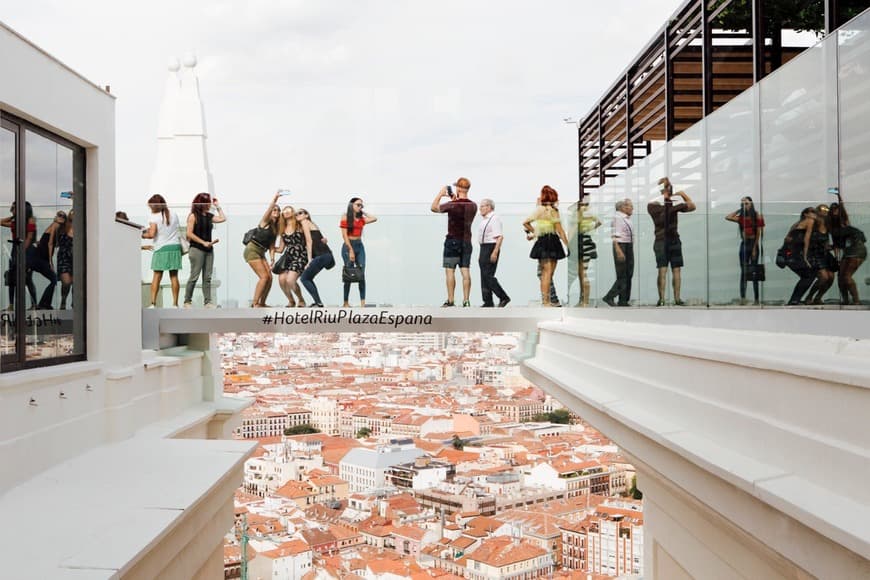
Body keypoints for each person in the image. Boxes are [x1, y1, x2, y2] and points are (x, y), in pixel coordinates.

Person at [648, 177, 696, 306]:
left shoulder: (658, 207)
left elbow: (692, 207)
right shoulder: (661, 207)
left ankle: (669, 299)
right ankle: (669, 299)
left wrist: (677, 193)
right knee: (668, 270)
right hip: (666, 240)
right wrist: (679, 195)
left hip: (667, 240)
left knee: (671, 270)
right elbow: (691, 206)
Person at [431, 178, 477, 307]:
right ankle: (466, 300)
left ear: (458, 189)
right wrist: (453, 199)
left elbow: (433, 208)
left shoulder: (452, 205)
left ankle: (451, 300)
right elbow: (462, 208)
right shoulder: (473, 205)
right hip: (467, 242)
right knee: (465, 271)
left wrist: (441, 194)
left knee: (450, 271)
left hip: (452, 241)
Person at [523, 185, 570, 307]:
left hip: (542, 242)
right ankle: (547, 301)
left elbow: (526, 222)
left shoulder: (539, 210)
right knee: (549, 274)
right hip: (552, 241)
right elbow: (560, 230)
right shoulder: (553, 211)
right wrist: (568, 245)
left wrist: (534, 233)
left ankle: (546, 301)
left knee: (544, 273)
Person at [183, 193, 225, 308]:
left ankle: (208, 302)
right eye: (207, 202)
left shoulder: (209, 216)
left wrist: (218, 206)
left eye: (210, 202)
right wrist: (203, 242)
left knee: (207, 277)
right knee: (194, 276)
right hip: (196, 249)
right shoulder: (193, 216)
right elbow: (189, 233)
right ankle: (187, 301)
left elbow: (223, 218)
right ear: (200, 202)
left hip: (209, 250)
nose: (209, 204)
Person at [141, 194, 182, 308]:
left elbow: (152, 234)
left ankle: (153, 303)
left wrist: (142, 235)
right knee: (174, 277)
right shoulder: (174, 214)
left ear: (154, 206)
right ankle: (175, 304)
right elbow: (171, 229)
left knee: (157, 276)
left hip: (161, 248)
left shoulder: (153, 217)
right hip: (175, 247)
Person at [725, 196, 765, 305]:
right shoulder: (741, 217)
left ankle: (757, 299)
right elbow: (728, 217)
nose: (744, 205)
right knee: (743, 272)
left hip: (753, 244)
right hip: (744, 244)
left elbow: (758, 233)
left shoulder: (757, 216)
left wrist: (754, 249)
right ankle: (743, 298)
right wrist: (740, 209)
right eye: (742, 203)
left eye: (746, 203)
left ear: (751, 203)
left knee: (754, 272)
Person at [244, 192, 281, 308]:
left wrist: (272, 259)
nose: (276, 212)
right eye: (274, 210)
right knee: (264, 277)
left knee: (270, 278)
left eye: (278, 210)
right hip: (252, 249)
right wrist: (275, 199)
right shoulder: (265, 222)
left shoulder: (275, 228)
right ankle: (255, 303)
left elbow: (271, 246)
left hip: (262, 252)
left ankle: (262, 303)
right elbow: (268, 210)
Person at [341, 197, 377, 308]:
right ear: (351, 205)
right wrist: (351, 250)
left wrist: (363, 211)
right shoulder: (345, 217)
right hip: (348, 246)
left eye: (361, 205)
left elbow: (374, 218)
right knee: (349, 273)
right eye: (358, 205)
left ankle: (362, 303)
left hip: (359, 245)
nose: (360, 207)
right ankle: (346, 302)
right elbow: (344, 235)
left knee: (361, 273)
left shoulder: (361, 219)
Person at [1, 201, 38, 309]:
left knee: (27, 278)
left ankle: (34, 304)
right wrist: (14, 215)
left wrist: (21, 251)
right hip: (15, 249)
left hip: (26, 250)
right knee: (11, 278)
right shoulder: (15, 221)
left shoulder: (30, 219)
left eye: (14, 208)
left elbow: (29, 238)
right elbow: (1, 222)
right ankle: (11, 305)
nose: (12, 210)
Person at [830, 197, 866, 305]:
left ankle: (856, 300)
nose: (834, 211)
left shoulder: (843, 221)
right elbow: (836, 245)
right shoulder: (833, 228)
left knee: (846, 276)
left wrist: (839, 197)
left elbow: (843, 210)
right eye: (832, 209)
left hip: (856, 249)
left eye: (836, 209)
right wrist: (837, 259)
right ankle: (846, 300)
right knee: (841, 277)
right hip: (848, 251)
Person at [297, 208, 335, 307]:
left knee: (304, 278)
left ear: (306, 215)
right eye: (296, 214)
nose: (298, 215)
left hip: (322, 255)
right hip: (326, 255)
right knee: (308, 278)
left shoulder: (305, 222)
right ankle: (318, 302)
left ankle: (318, 302)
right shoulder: (310, 224)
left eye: (300, 213)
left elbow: (309, 242)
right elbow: (322, 239)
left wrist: (309, 261)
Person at [567, 201, 601, 307]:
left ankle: (584, 301)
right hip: (586, 241)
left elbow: (572, 230)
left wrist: (566, 244)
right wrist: (588, 229)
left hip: (579, 243)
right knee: (582, 273)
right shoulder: (589, 214)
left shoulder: (577, 215)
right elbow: (599, 222)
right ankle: (583, 300)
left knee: (582, 274)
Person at [477, 198, 510, 308]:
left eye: (482, 206)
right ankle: (487, 301)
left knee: (488, 275)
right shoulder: (484, 220)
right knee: (483, 276)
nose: (480, 208)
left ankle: (503, 297)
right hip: (484, 247)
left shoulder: (494, 218)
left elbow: (500, 237)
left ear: (489, 207)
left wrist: (495, 252)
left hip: (491, 247)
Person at [602, 198, 635, 307]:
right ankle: (609, 296)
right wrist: (618, 251)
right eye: (630, 206)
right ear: (623, 207)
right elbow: (615, 237)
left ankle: (623, 300)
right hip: (621, 245)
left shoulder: (627, 218)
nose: (632, 208)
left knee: (629, 273)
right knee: (622, 275)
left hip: (628, 245)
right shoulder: (618, 218)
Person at [28, 210, 64, 309]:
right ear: (56, 217)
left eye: (63, 216)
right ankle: (44, 304)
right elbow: (50, 244)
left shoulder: (57, 227)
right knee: (54, 279)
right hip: (40, 259)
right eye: (59, 215)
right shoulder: (55, 225)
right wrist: (51, 262)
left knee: (53, 279)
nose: (60, 217)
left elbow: (47, 242)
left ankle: (43, 304)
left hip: (39, 258)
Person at [274, 205, 307, 308]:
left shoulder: (299, 225)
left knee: (290, 280)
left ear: (293, 212)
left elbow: (310, 238)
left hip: (301, 255)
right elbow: (280, 249)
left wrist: (322, 240)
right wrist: (270, 247)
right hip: (288, 257)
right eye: (284, 210)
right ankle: (291, 300)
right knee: (281, 279)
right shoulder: (282, 229)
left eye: (289, 210)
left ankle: (301, 300)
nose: (286, 211)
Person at [803, 204, 836, 305]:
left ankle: (818, 297)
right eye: (823, 209)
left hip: (825, 254)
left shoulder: (827, 225)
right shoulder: (812, 224)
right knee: (824, 277)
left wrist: (831, 247)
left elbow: (826, 242)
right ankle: (809, 296)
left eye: (826, 210)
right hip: (814, 253)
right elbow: (806, 239)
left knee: (831, 277)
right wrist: (805, 255)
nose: (825, 211)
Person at [784, 207, 818, 305]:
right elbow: (806, 239)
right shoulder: (810, 221)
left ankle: (794, 299)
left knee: (806, 276)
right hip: (797, 254)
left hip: (789, 254)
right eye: (812, 212)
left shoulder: (796, 224)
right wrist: (805, 256)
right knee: (809, 275)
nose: (814, 214)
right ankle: (794, 300)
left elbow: (786, 239)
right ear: (806, 214)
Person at [56, 209, 74, 310]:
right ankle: (63, 300)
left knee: (76, 283)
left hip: (76, 257)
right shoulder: (62, 227)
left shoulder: (81, 228)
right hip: (64, 257)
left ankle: (74, 304)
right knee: (66, 282)